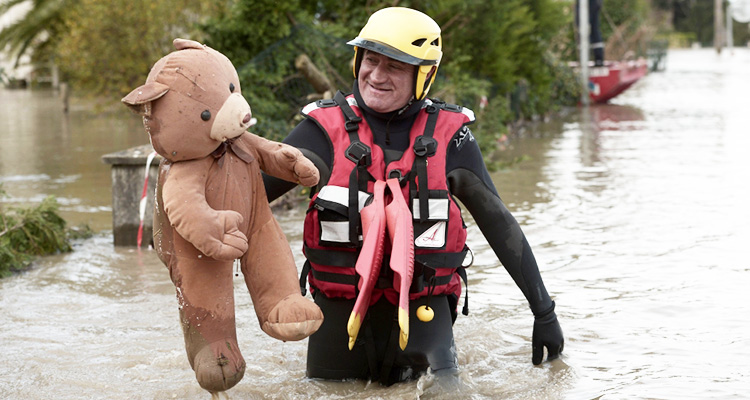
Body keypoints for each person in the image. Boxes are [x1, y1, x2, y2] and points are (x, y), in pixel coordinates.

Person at [262, 7, 564, 385]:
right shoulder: (319, 131)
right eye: (371, 60)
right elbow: (246, 199)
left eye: (395, 67)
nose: (376, 75)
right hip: (338, 320)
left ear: (424, 75)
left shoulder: (453, 138)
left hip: (427, 317)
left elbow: (499, 224)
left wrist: (544, 312)